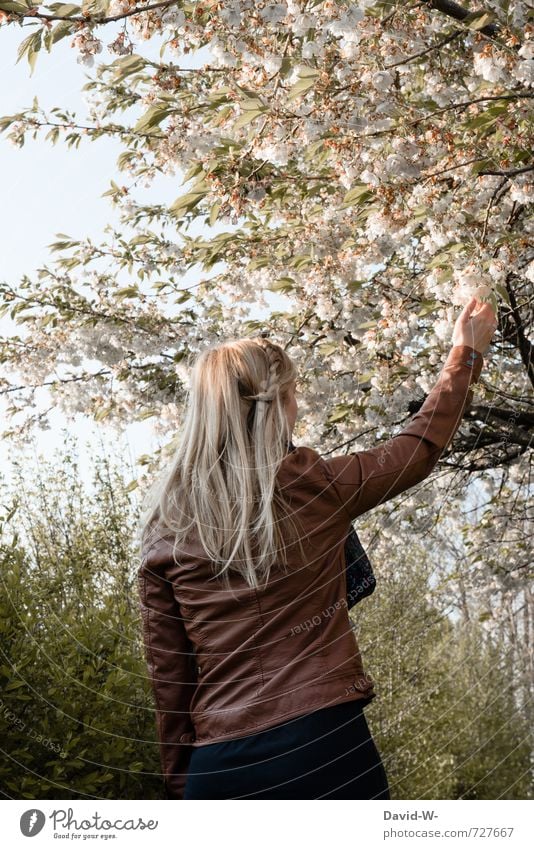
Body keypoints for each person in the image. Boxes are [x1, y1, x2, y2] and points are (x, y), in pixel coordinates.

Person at [137, 296, 497, 800]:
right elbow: (415, 450)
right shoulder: (312, 485)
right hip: (322, 744)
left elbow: (169, 676)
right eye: (293, 395)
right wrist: (464, 355)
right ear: (277, 405)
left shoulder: (165, 529)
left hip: (218, 766)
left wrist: (182, 784)